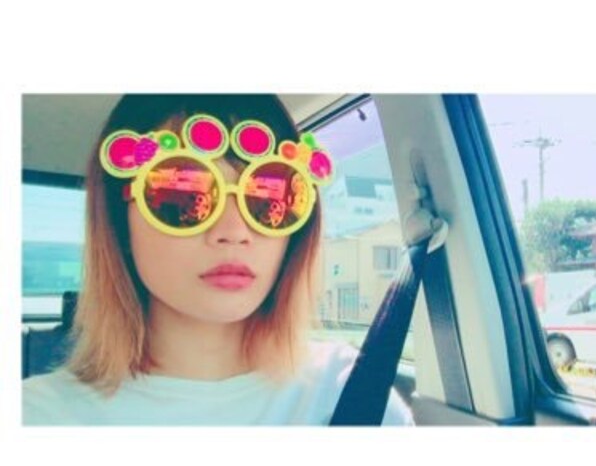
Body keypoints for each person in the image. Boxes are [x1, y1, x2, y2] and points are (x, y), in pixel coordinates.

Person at [23, 94, 413, 426]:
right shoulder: (37, 415)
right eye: (181, 195)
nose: (234, 231)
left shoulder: (354, 395)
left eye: (269, 198)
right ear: (120, 224)